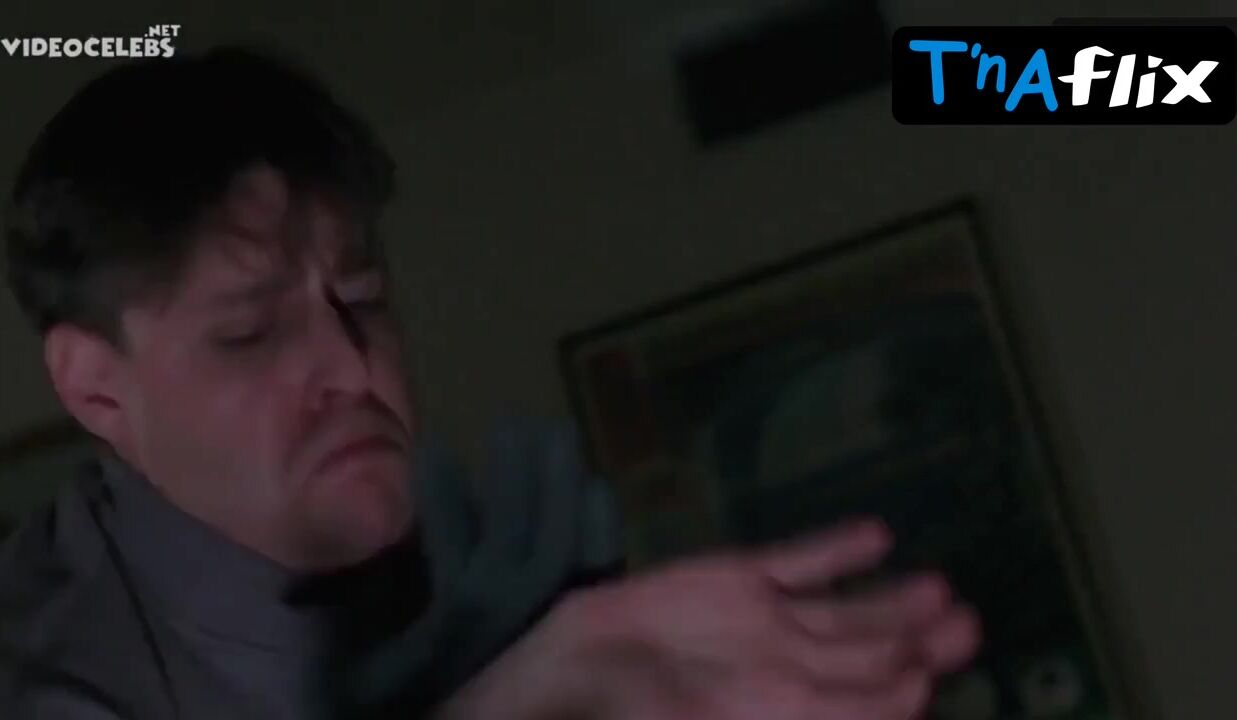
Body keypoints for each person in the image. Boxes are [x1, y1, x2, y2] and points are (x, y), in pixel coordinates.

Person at [0, 46, 980, 719]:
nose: (352, 367)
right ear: (96, 390)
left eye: (364, 298)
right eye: (249, 332)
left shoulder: (473, 584)